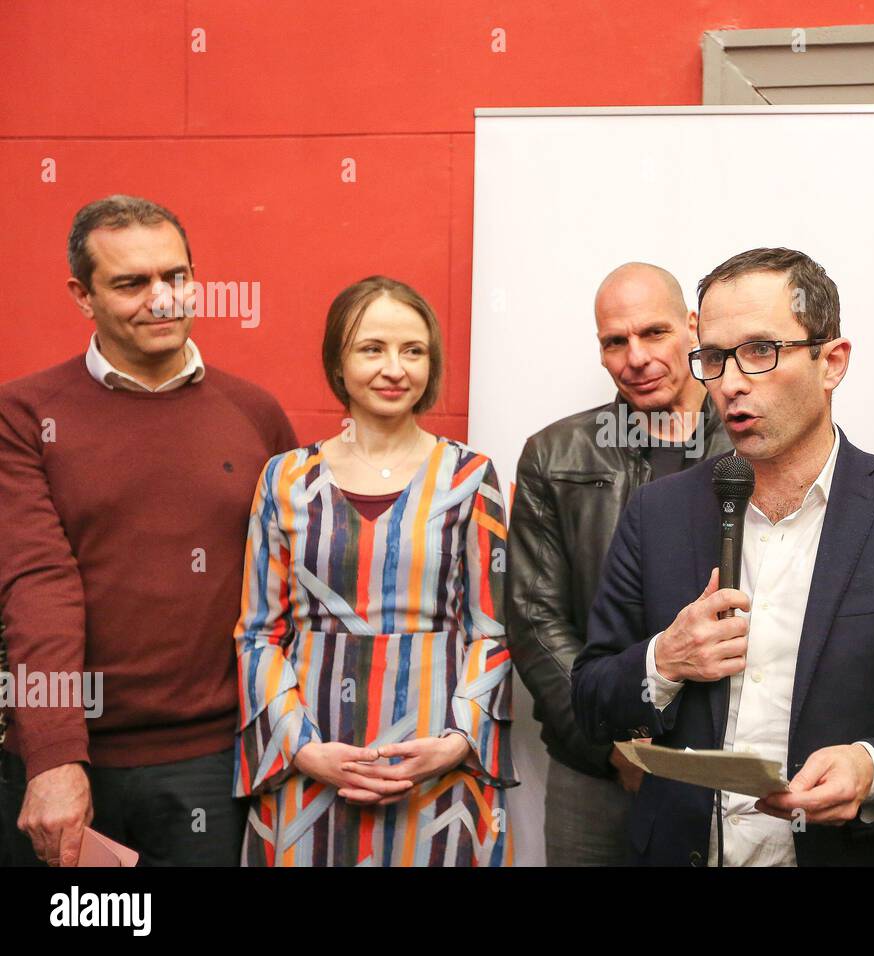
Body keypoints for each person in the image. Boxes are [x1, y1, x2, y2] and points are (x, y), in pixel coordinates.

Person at [572, 247, 874, 866]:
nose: (728, 383)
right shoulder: (657, 514)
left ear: (831, 362)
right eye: (715, 358)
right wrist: (662, 662)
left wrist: (872, 766)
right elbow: (590, 697)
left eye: (759, 351)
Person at [0, 195, 297, 867]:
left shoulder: (255, 414)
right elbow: (36, 584)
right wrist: (53, 755)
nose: (162, 299)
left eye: (176, 277)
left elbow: (288, 595)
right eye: (132, 283)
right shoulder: (23, 415)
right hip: (68, 763)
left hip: (212, 762)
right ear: (83, 295)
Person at [234, 275, 514, 866]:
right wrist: (302, 749)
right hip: (308, 765)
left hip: (439, 773)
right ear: (339, 362)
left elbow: (492, 631)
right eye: (372, 348)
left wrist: (455, 743)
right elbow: (258, 633)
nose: (395, 368)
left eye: (413, 351)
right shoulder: (283, 479)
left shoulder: (470, 478)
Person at [508, 262, 731, 866]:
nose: (636, 356)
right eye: (615, 341)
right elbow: (534, 620)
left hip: (724, 761)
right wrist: (613, 746)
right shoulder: (555, 454)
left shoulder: (750, 444)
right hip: (595, 768)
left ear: (692, 328)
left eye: (654, 333)